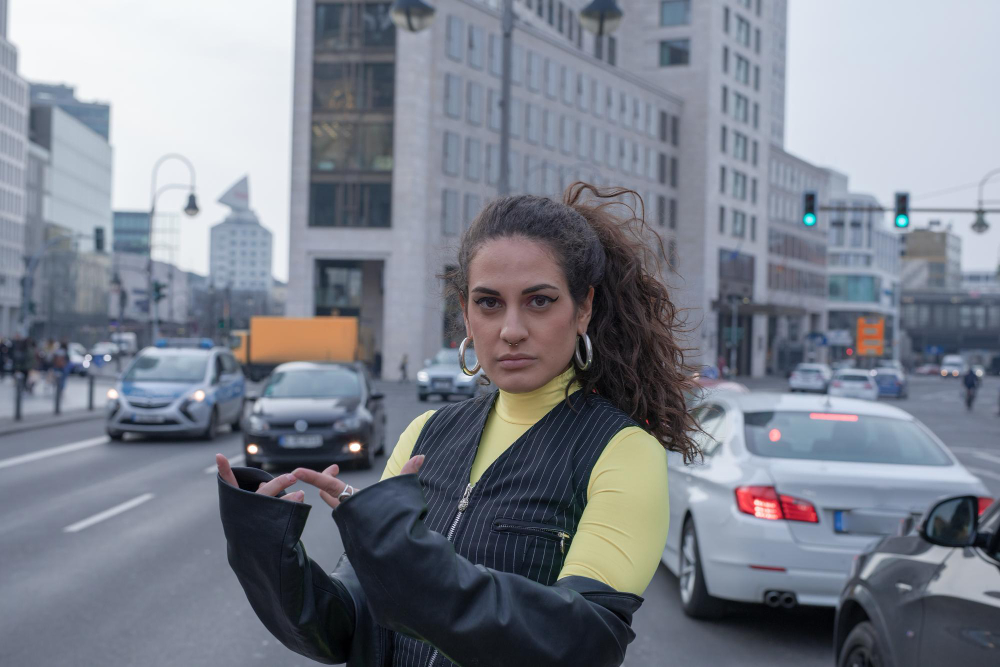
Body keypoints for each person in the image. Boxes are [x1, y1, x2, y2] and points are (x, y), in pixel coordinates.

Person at [215, 184, 700, 666]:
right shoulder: (425, 432)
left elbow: (579, 642)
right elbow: (347, 627)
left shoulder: (622, 451)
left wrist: (407, 557)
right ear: (466, 314)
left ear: (584, 309)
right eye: (489, 303)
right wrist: (265, 549)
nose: (511, 329)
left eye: (539, 301)